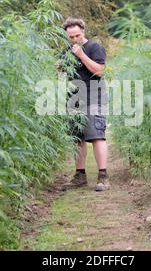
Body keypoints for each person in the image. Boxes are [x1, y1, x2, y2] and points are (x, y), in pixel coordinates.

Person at [57, 18, 109, 192]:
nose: (74, 39)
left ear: (83, 32)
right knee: (76, 138)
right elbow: (62, 72)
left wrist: (81, 55)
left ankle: (103, 176)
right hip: (73, 98)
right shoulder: (66, 50)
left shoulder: (94, 47)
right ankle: (80, 176)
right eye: (71, 37)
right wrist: (60, 67)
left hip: (93, 96)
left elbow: (99, 71)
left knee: (96, 136)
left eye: (77, 35)